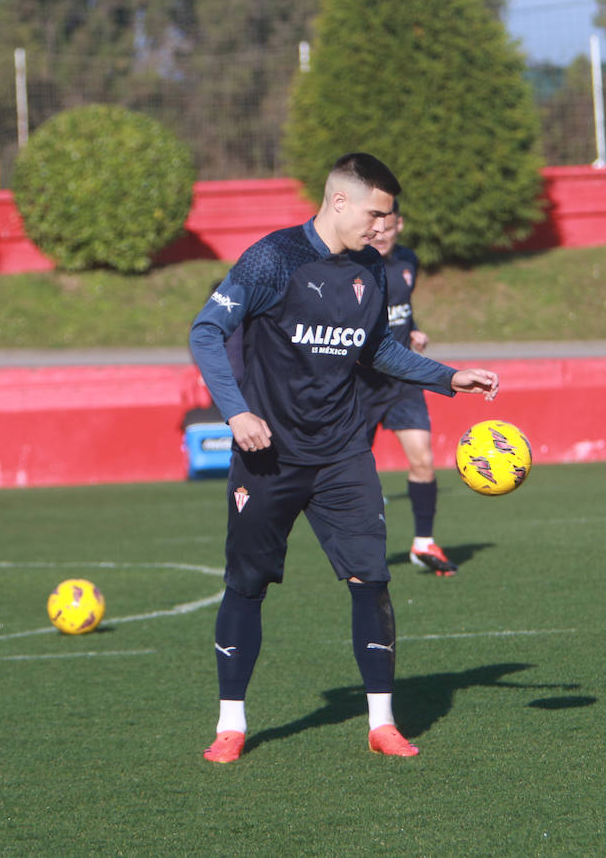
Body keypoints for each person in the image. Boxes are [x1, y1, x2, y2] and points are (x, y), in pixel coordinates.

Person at [188, 153, 499, 763]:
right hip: (267, 454)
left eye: (388, 216)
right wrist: (236, 412)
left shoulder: (372, 271)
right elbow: (205, 331)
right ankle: (231, 724)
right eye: (375, 213)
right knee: (246, 585)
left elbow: (377, 348)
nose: (383, 226)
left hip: (342, 454)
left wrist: (447, 377)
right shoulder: (273, 258)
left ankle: (381, 722)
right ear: (339, 203)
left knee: (372, 580)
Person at [357, 201, 454, 576]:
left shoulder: (409, 261)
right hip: (361, 384)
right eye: (374, 224)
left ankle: (423, 543)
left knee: (423, 460)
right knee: (355, 473)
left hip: (403, 379)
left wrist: (412, 330)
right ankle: (360, 551)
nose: (379, 232)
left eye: (387, 224)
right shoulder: (355, 267)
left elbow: (402, 308)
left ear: (400, 224)